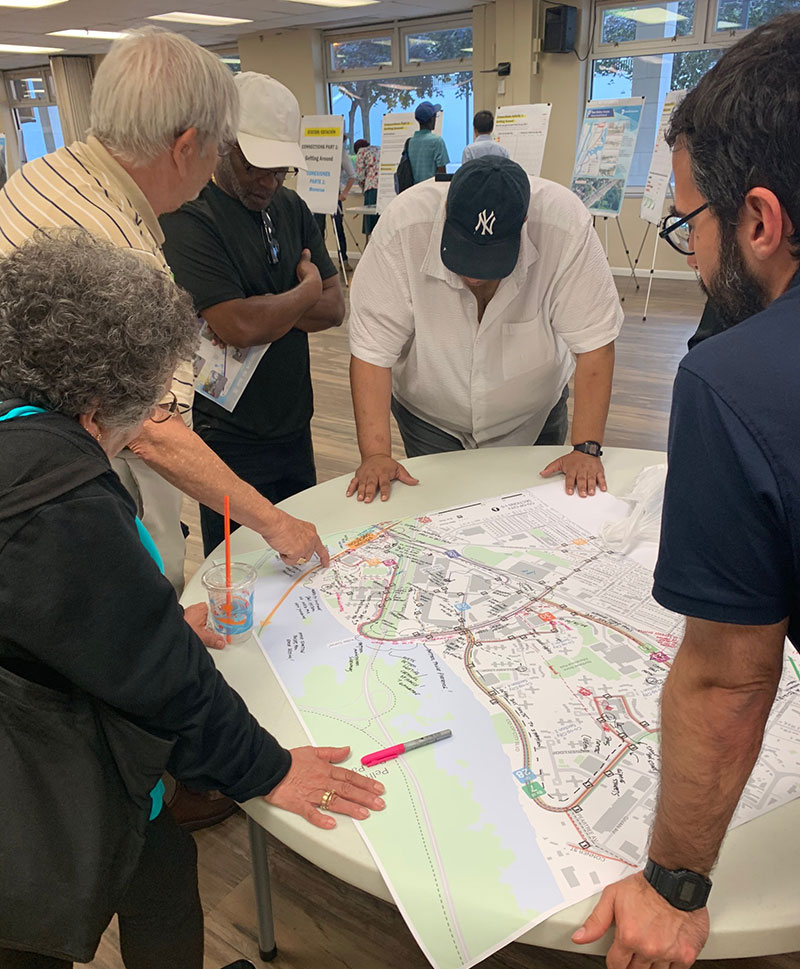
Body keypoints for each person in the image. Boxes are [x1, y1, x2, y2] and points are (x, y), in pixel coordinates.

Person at [0, 232, 385, 969]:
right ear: (96, 405)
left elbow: (44, 606)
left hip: (61, 746)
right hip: (34, 802)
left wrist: (147, 617)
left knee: (162, 867)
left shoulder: (20, 420)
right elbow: (167, 681)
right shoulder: (58, 494)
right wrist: (268, 768)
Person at [573, 13, 800, 968]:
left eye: (688, 221)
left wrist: (671, 886)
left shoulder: (737, 379)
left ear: (759, 220)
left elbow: (730, 675)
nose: (692, 254)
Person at [0, 28, 327, 599]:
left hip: (40, 469)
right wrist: (274, 523)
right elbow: (153, 432)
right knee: (144, 624)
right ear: (186, 147)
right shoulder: (114, 249)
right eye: (219, 149)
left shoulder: (41, 174)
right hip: (82, 484)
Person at [347, 155, 622, 503]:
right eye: (463, 254)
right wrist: (375, 456)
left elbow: (595, 343)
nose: (474, 275)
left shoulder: (564, 226)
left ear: (523, 221)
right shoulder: (402, 227)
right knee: (439, 509)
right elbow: (372, 351)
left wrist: (586, 448)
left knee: (537, 512)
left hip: (533, 414)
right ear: (445, 211)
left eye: (490, 259)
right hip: (431, 417)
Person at [161, 72, 345, 557]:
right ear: (222, 146)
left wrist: (274, 306)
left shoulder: (290, 207)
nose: (268, 181)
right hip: (227, 432)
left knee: (298, 551)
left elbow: (335, 308)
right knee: (239, 562)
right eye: (254, 167)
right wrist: (304, 287)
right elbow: (237, 327)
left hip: (293, 417)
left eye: (281, 170)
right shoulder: (189, 217)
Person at [314, 150, 356, 271]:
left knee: (338, 228)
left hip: (334, 194)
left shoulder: (341, 152)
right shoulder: (319, 149)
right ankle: (319, 262)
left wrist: (344, 193)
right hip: (319, 192)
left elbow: (352, 175)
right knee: (318, 228)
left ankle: (344, 260)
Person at [407, 101, 449, 184]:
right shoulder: (437, 141)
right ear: (432, 119)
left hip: (414, 190)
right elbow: (442, 174)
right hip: (431, 191)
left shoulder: (410, 142)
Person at [354, 137, 380, 238]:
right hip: (383, 188)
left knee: (370, 222)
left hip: (371, 187)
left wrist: (363, 189)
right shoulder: (378, 149)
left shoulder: (361, 152)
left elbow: (360, 176)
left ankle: (369, 247)